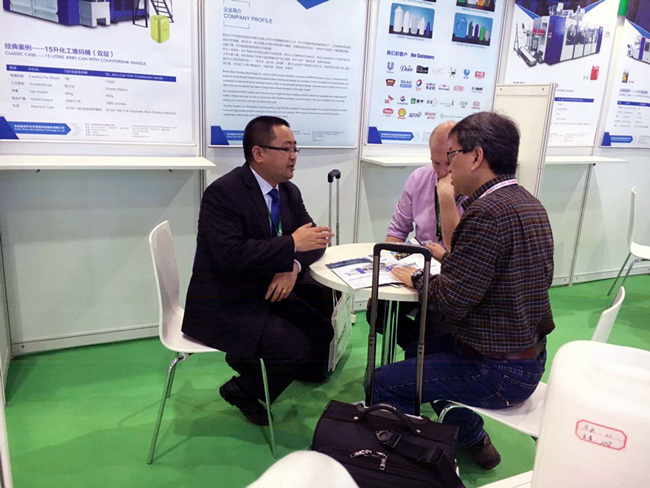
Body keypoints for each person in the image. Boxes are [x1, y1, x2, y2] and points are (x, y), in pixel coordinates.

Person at [375, 112, 555, 470]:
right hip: (523, 355)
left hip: (498, 370)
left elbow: (451, 301)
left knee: (382, 383)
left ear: (476, 157)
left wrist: (416, 278)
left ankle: (420, 468)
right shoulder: (527, 202)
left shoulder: (486, 213)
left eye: (452, 156)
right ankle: (470, 436)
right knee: (417, 349)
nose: (446, 170)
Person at [182, 116, 335, 425]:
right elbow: (230, 255)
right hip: (227, 302)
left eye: (295, 148)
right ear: (258, 153)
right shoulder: (223, 194)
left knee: (322, 331)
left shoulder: (288, 192)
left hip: (267, 291)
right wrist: (291, 244)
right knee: (295, 348)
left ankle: (250, 362)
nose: (293, 156)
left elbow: (315, 241)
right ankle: (242, 389)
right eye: (286, 148)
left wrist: (292, 266)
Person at [367, 121, 466, 351]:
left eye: (449, 163)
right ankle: (418, 353)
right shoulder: (418, 179)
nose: (442, 172)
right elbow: (396, 232)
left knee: (433, 325)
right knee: (377, 312)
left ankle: (420, 355)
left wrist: (446, 197)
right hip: (418, 269)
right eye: (436, 163)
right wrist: (387, 275)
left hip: (451, 280)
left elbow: (463, 256)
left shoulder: (475, 190)